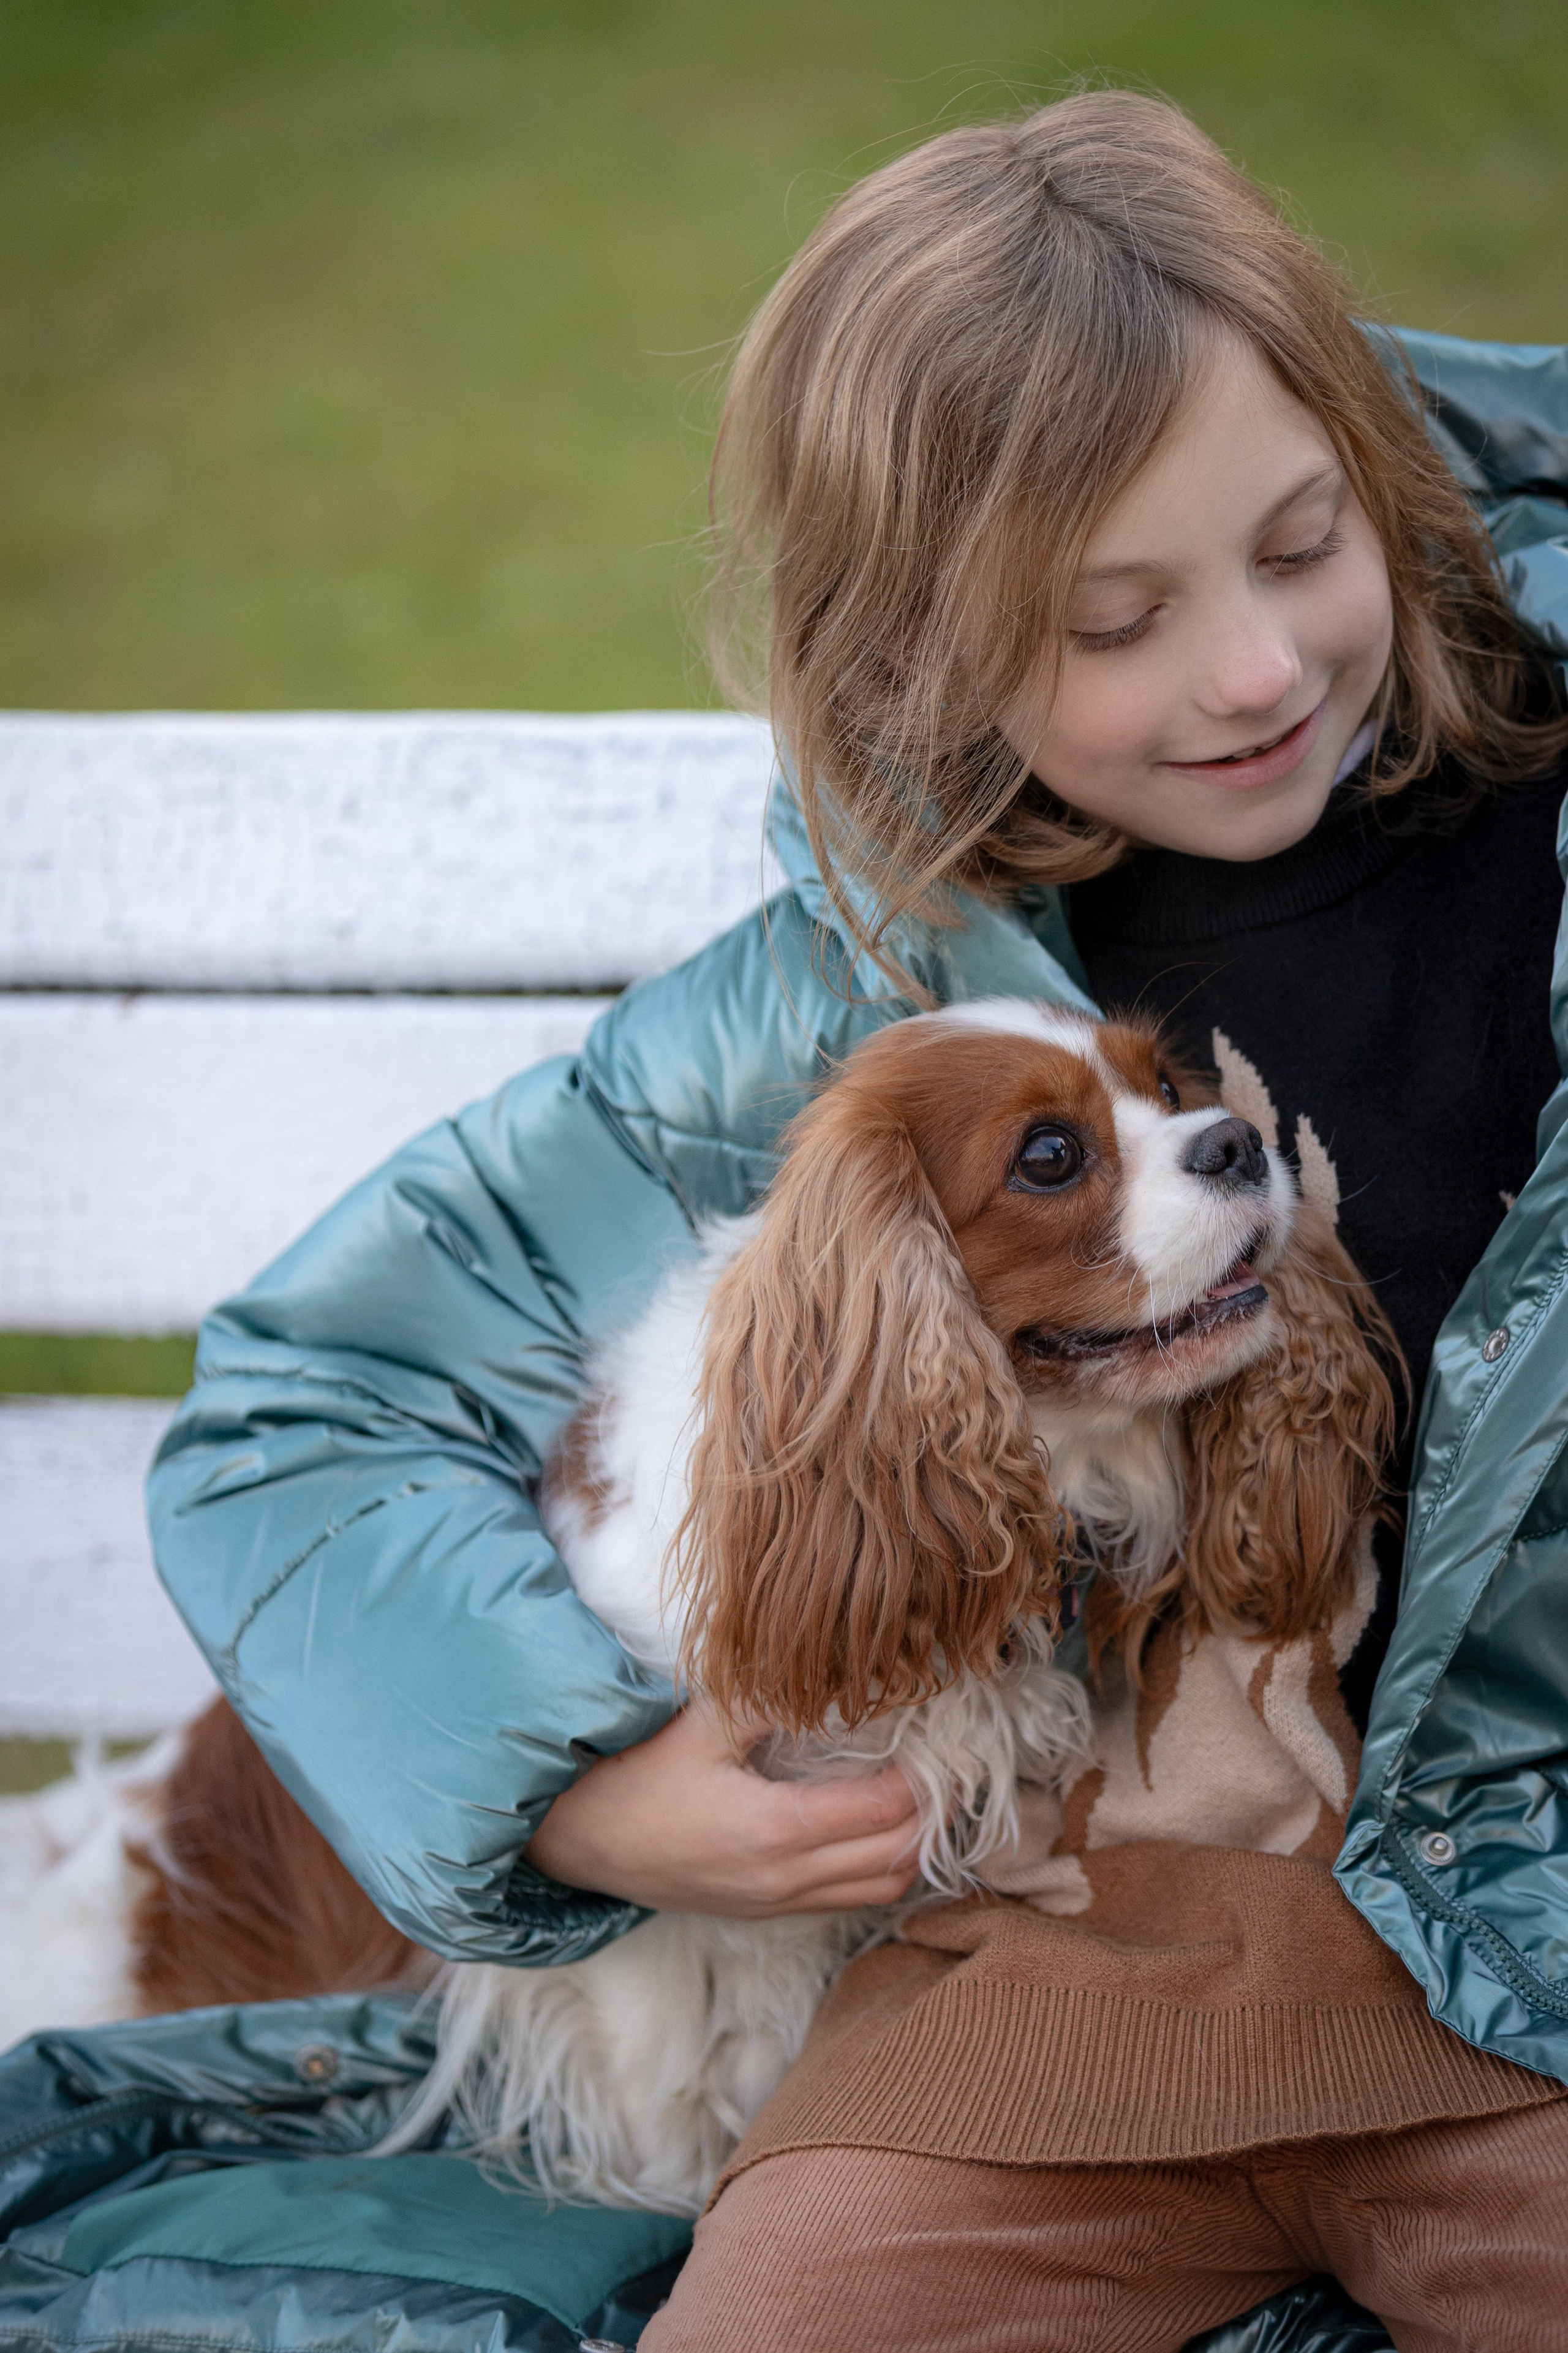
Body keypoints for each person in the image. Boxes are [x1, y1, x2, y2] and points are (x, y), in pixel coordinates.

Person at [132, 93, 1568, 2352]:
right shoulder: (848, 1000)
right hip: (1049, 1954)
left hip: (1537, 1941)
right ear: (921, 655)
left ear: (1379, 474)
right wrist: (582, 1796)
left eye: (1307, 545)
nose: (1256, 670)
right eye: (1114, 620)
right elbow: (300, 1410)